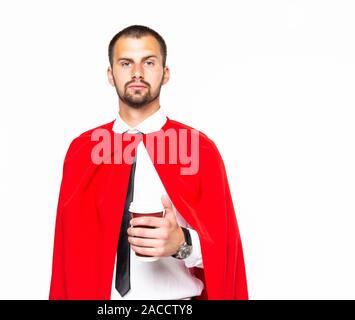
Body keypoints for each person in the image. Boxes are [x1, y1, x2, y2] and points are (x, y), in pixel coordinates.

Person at [49, 25, 248, 300]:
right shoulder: (83, 151)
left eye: (149, 62)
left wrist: (182, 244)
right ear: (111, 74)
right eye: (126, 62)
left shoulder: (199, 149)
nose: (137, 73)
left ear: (165, 73)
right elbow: (65, 259)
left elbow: (226, 259)